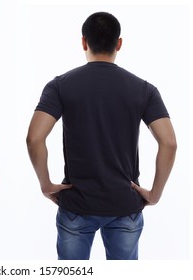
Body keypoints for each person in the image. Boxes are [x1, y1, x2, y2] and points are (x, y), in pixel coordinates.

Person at [26, 12, 177, 260]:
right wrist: (154, 194)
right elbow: (169, 142)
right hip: (124, 205)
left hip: (76, 205)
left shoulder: (60, 85)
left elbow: (34, 138)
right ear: (119, 43)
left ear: (84, 42)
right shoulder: (144, 89)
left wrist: (46, 185)